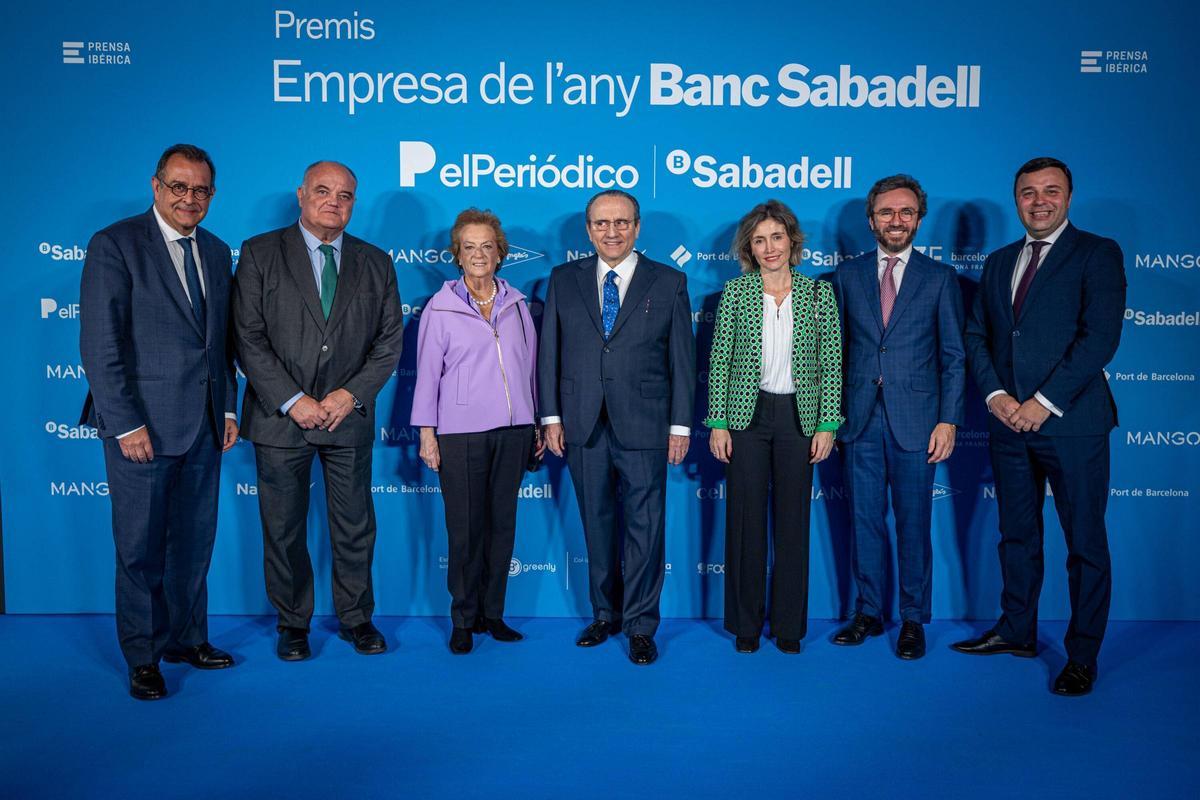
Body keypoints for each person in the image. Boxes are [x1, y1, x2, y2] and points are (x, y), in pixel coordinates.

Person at [956, 157, 1126, 696]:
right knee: (1017, 535)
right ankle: (1016, 630)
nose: (1039, 201)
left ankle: (1082, 656)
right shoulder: (1001, 260)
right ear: (1016, 199)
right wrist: (999, 396)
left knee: (1084, 542)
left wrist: (1044, 401)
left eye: (1051, 191)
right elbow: (977, 335)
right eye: (1029, 193)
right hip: (1007, 423)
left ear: (1069, 197)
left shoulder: (1097, 253)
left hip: (1072, 423)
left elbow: (1099, 339)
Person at [79, 143, 239, 700]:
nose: (189, 198)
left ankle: (187, 638)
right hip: (141, 427)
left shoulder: (217, 252)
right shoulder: (115, 245)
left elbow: (219, 344)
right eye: (179, 187)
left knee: (194, 542)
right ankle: (143, 656)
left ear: (211, 195)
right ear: (156, 186)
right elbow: (101, 344)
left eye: (200, 190)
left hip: (202, 424)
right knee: (140, 548)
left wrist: (226, 407)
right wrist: (124, 423)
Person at [232, 161, 404, 661]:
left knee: (354, 525)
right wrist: (294, 400)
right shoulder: (260, 253)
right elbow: (248, 336)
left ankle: (357, 618)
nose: (335, 201)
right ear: (302, 195)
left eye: (346, 195)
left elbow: (389, 341)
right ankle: (292, 623)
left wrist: (348, 396)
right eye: (324, 191)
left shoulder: (376, 262)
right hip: (280, 417)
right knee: (283, 528)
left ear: (354, 203)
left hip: (347, 417)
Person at [536, 189, 696, 665]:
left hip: (646, 425)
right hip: (582, 423)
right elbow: (550, 354)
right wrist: (551, 418)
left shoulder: (668, 281)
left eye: (621, 222)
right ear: (589, 230)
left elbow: (682, 363)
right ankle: (605, 614)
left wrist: (681, 426)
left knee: (646, 530)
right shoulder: (564, 279)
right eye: (602, 223)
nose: (612, 231)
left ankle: (641, 625)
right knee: (597, 524)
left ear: (637, 227)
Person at [829, 175, 965, 660]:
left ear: (919, 219)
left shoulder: (940, 278)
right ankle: (868, 611)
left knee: (913, 523)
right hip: (860, 420)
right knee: (863, 520)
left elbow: (953, 355)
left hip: (918, 422)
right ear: (871, 220)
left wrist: (948, 420)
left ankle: (912, 618)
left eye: (906, 212)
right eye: (887, 212)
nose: (896, 220)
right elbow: (835, 352)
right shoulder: (847, 276)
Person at [705, 200, 842, 655]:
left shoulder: (819, 295)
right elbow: (719, 361)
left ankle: (788, 627)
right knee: (744, 523)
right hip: (746, 417)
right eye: (759, 240)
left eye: (777, 237)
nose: (769, 247)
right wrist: (718, 422)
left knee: (793, 525)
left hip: (799, 420)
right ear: (750, 247)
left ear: (792, 241)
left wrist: (827, 423)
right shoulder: (735, 294)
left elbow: (832, 363)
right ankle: (745, 625)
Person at [412, 208, 541, 654]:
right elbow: (427, 374)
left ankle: (493, 614)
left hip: (514, 432)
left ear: (500, 253)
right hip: (460, 433)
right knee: (465, 530)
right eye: (470, 247)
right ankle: (463, 619)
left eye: (487, 246)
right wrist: (427, 433)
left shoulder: (519, 305)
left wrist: (537, 420)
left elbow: (531, 369)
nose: (479, 254)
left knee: (502, 526)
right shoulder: (441, 307)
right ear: (457, 255)